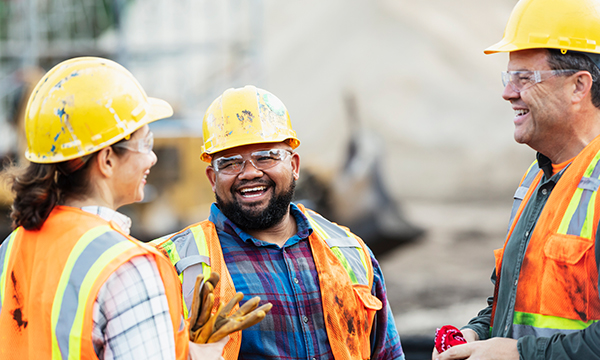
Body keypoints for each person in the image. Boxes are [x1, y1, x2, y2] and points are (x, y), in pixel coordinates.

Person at [0, 57, 238, 359]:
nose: (152, 158)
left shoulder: (11, 248)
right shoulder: (129, 266)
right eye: (145, 143)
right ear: (107, 159)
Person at [152, 85, 404, 359]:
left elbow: (387, 353)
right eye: (230, 163)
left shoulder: (349, 251)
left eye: (266, 157)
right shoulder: (169, 265)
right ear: (213, 178)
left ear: (294, 166)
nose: (249, 173)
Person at [434, 0, 600, 359]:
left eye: (524, 77)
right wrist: (475, 332)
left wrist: (519, 354)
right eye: (509, 77)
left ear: (578, 86)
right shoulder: (537, 177)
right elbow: (514, 306)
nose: (509, 92)